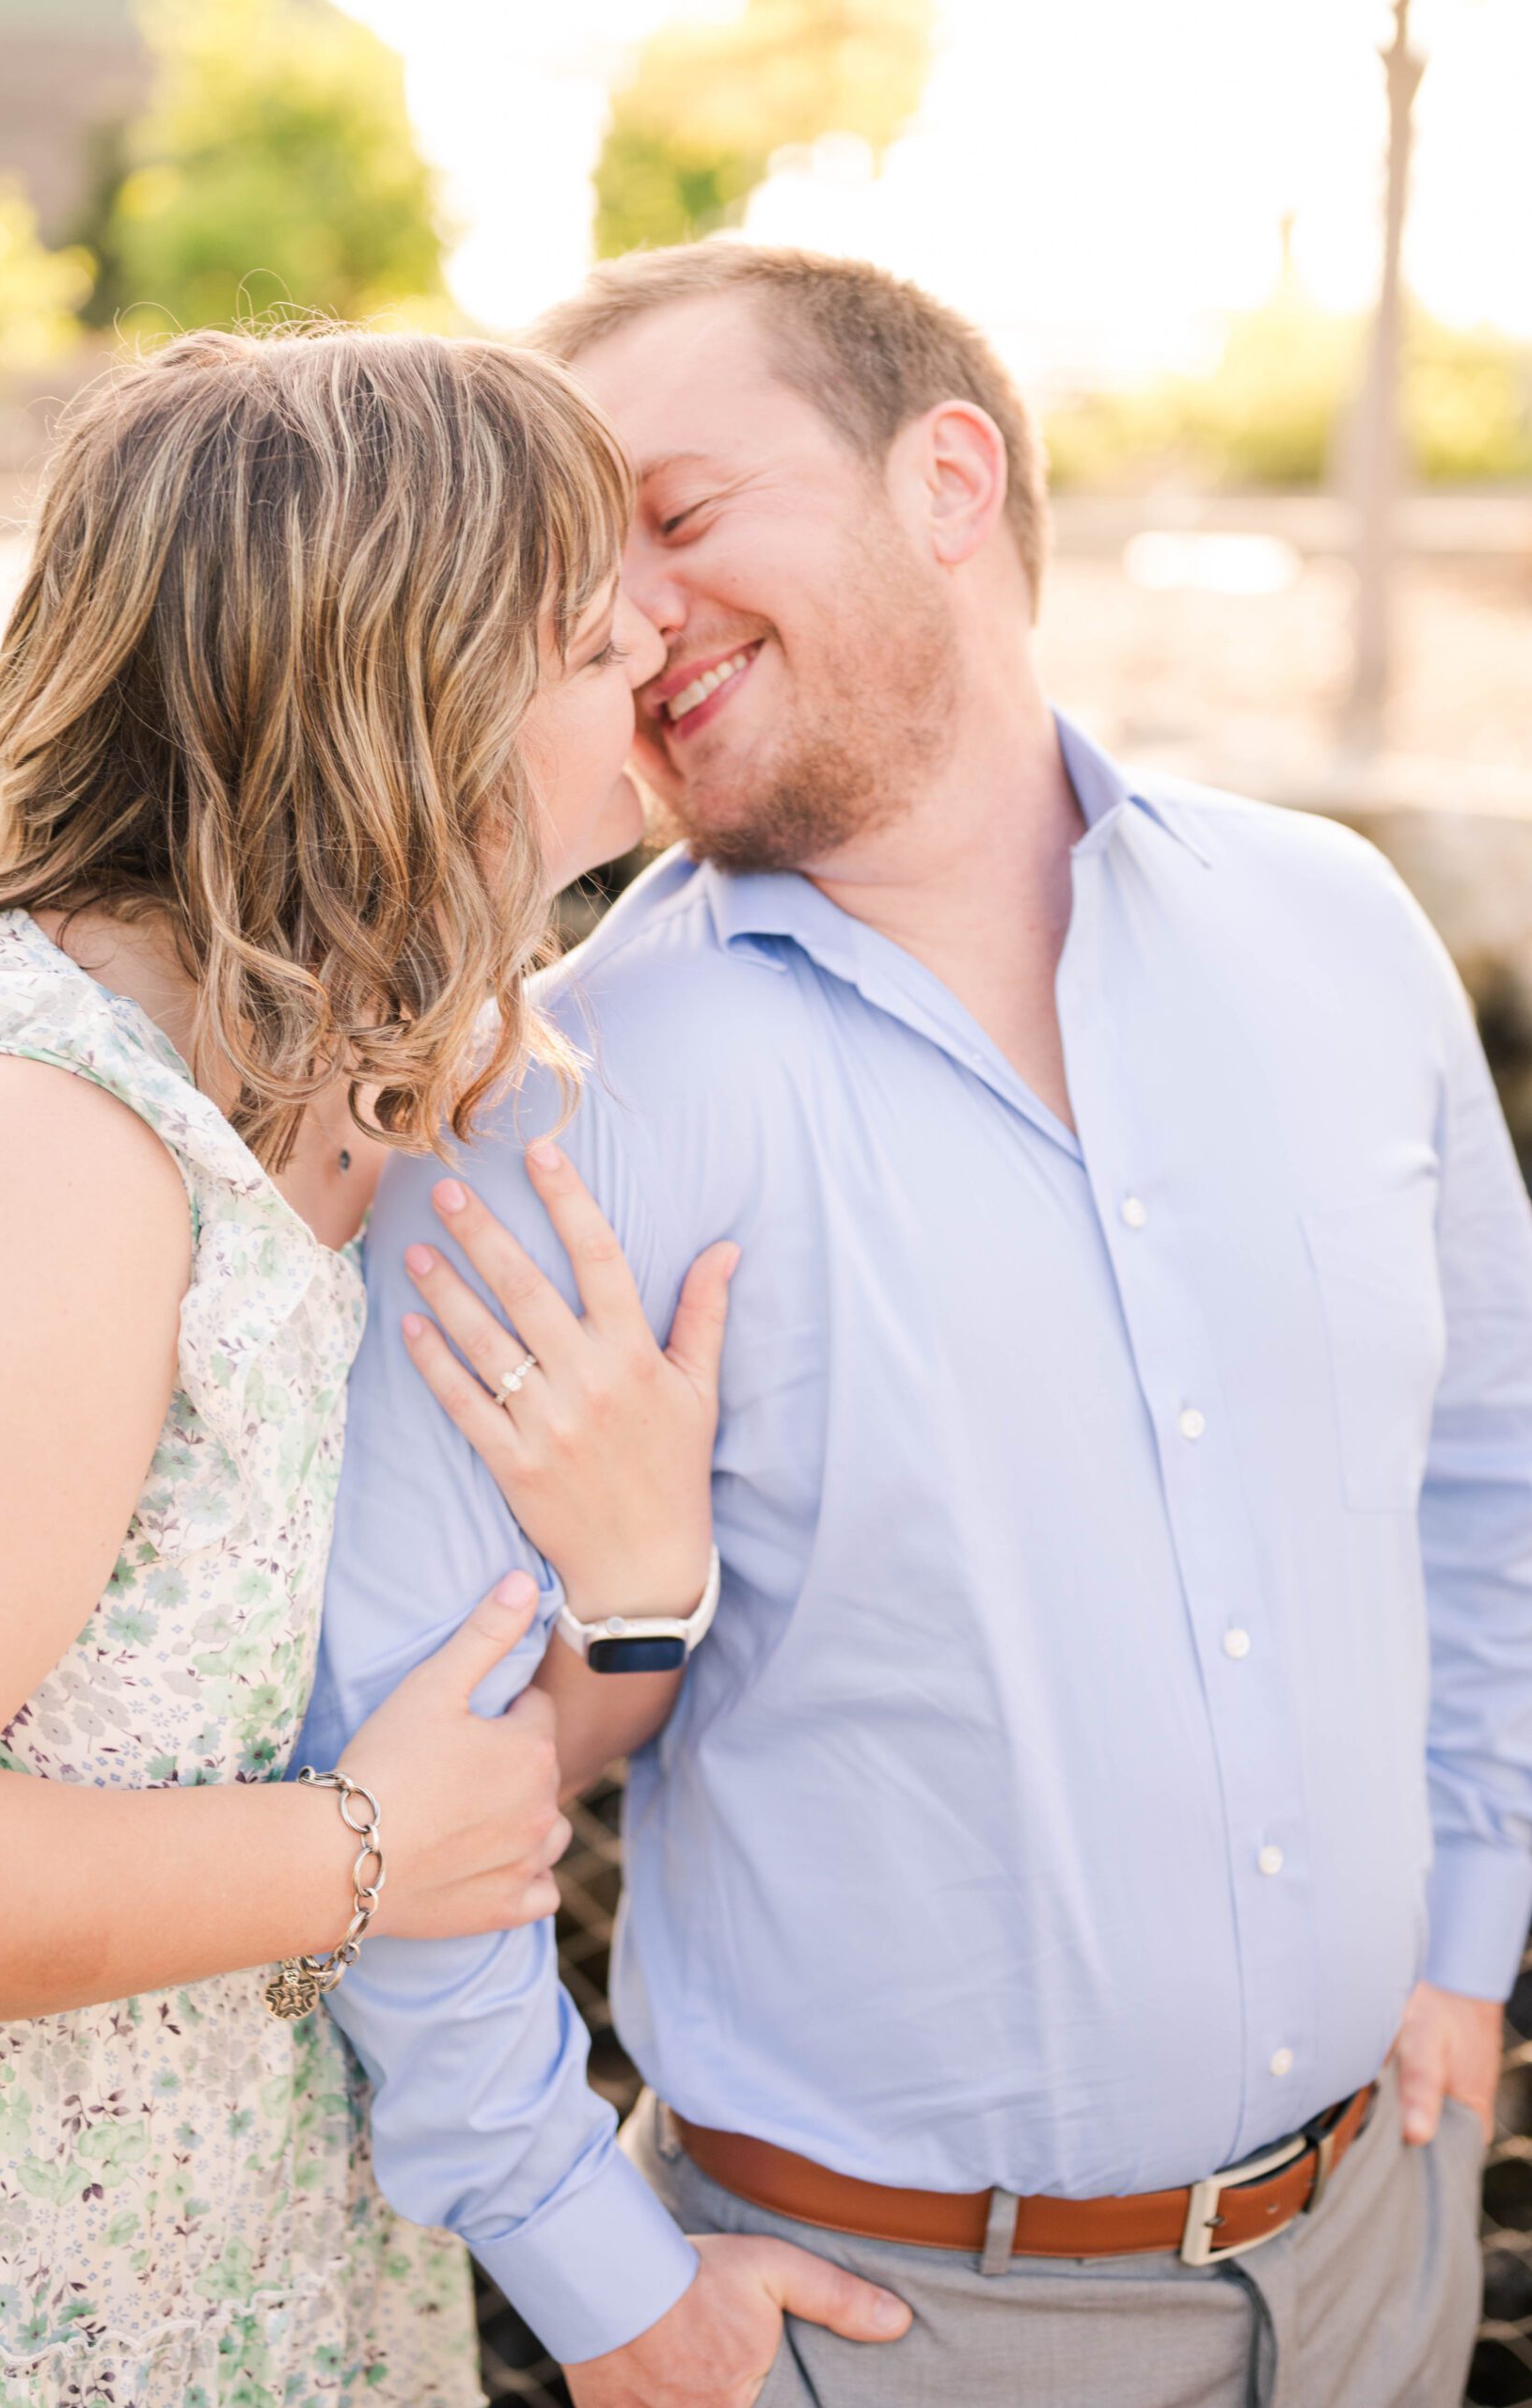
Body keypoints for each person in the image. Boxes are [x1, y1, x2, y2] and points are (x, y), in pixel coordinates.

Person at [305, 247, 1532, 2408]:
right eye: (579, 584)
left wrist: (1467, 1927)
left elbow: (1489, 1475)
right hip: (879, 2327)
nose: (631, 622)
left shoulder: (1341, 926)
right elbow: (401, 1769)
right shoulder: (554, 1109)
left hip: (1383, 2244)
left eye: (678, 518)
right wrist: (610, 2285)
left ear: (949, 477)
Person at [0, 324, 748, 2408]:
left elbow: (466, 1757)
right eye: (586, 632)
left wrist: (640, 1574)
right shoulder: (39, 1138)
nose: (656, 631)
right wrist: (349, 1859)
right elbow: (400, 1820)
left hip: (266, 2260)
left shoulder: (369, 1097)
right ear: (416, 716)